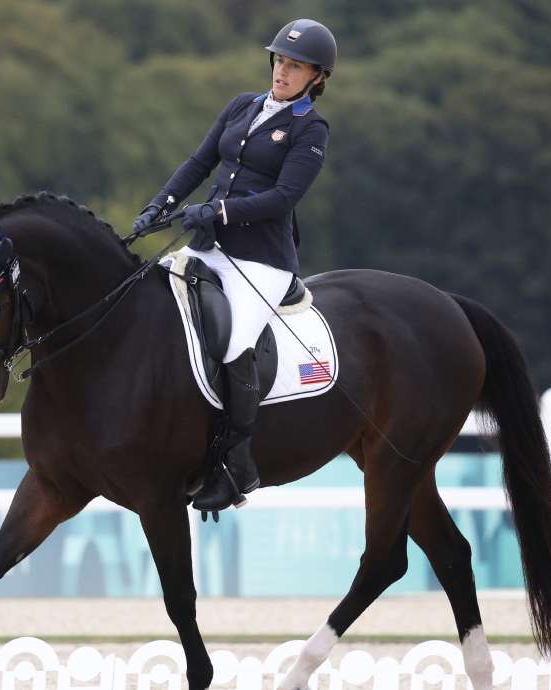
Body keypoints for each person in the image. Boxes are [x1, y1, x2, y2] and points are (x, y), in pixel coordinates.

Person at [133, 18, 337, 511]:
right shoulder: (242, 106)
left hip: (260, 261)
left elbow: (284, 196)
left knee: (233, 344)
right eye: (280, 61)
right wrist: (158, 206)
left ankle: (236, 464)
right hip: (206, 247)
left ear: (317, 78)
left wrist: (220, 210)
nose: (282, 72)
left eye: (295, 66)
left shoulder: (310, 129)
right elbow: (199, 163)